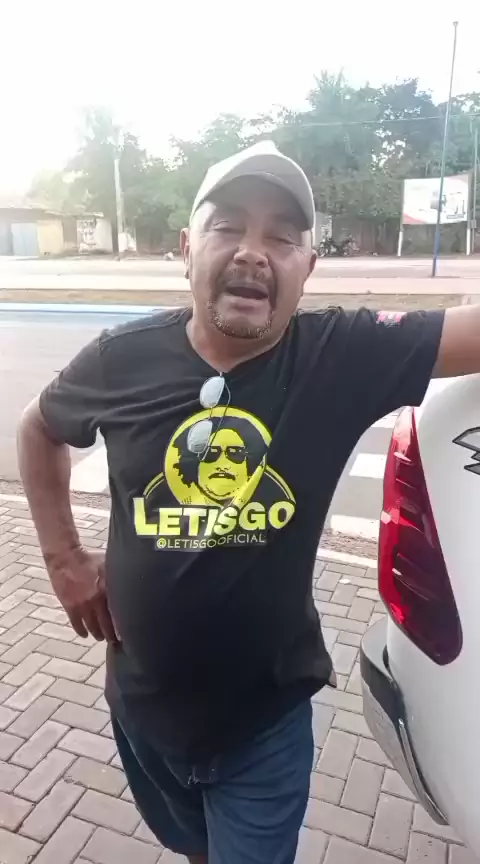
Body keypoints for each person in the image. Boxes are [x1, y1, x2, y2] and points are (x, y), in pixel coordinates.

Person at [17, 140, 480, 864]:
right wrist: (63, 559)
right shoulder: (119, 359)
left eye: (282, 237)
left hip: (262, 729)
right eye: (228, 225)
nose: (253, 252)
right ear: (187, 247)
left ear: (308, 267)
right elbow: (39, 428)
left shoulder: (341, 355)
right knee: (195, 848)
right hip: (142, 711)